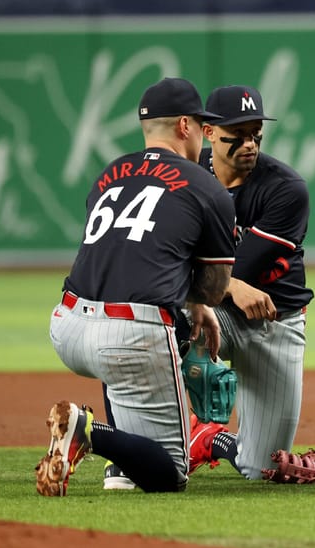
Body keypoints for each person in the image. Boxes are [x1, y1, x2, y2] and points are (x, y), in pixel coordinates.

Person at [35, 77, 236, 496]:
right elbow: (215, 290)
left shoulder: (110, 174)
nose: (203, 136)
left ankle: (118, 465)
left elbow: (122, 252)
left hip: (68, 324)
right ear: (185, 126)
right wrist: (197, 304)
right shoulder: (206, 186)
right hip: (129, 337)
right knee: (170, 474)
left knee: (132, 345)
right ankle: (88, 430)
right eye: (202, 126)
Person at [185, 85, 314, 480]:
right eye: (236, 136)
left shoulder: (285, 189)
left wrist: (230, 283)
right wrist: (230, 287)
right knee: (160, 321)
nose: (249, 144)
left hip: (275, 320)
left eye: (255, 134)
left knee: (262, 470)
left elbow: (242, 268)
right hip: (215, 310)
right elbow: (160, 264)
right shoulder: (186, 178)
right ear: (208, 133)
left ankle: (212, 438)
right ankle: (141, 444)